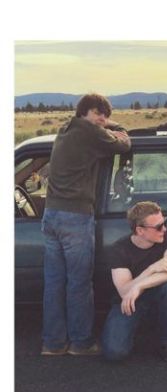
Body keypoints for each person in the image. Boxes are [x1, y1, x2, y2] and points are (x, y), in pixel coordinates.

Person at [41, 93, 131, 356]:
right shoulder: (90, 133)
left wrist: (103, 125)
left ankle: (53, 344)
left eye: (105, 115)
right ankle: (81, 343)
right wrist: (116, 127)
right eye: (97, 113)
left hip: (51, 215)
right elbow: (124, 145)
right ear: (84, 112)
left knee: (54, 283)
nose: (102, 119)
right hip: (75, 217)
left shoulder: (66, 129)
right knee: (79, 283)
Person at [101, 201, 167, 363]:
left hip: (158, 293)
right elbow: (124, 291)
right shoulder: (119, 250)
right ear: (140, 230)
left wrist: (139, 285)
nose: (164, 229)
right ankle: (137, 328)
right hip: (130, 301)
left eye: (164, 222)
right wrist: (151, 269)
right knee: (115, 353)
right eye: (158, 227)